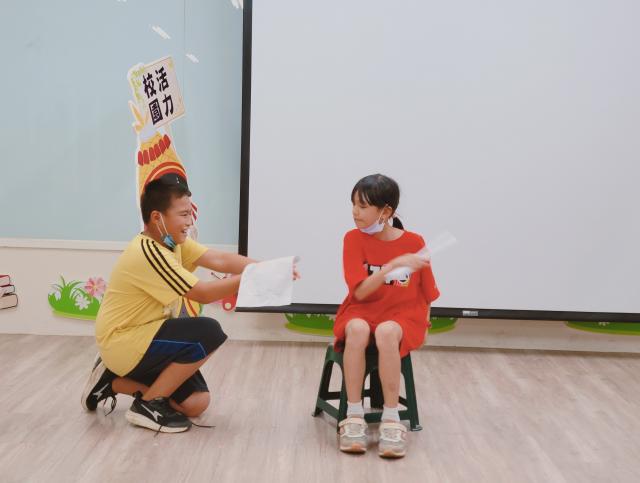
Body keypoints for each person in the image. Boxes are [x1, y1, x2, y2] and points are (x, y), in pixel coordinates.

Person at [81, 174, 254, 433]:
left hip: (148, 339)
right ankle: (148, 405)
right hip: (124, 341)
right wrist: (253, 278)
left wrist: (266, 269)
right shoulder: (149, 252)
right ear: (157, 217)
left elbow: (220, 260)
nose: (190, 221)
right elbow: (203, 294)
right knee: (208, 331)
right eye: (183, 214)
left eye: (190, 213)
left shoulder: (172, 243)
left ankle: (111, 381)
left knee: (196, 403)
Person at [333, 173, 440, 457]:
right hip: (361, 309)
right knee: (357, 329)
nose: (355, 212)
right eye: (353, 204)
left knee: (386, 331)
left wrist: (425, 325)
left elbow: (428, 291)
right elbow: (360, 293)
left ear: (386, 212)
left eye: (363, 206)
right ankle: (354, 415)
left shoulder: (415, 241)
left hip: (403, 315)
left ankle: (391, 419)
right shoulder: (352, 239)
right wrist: (391, 267)